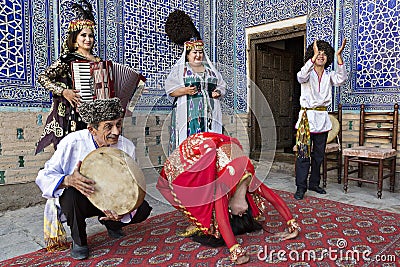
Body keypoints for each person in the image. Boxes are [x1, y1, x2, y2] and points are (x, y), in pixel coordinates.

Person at [36, 98, 152, 260]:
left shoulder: (126, 147)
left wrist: (121, 210)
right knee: (70, 196)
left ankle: (112, 222)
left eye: (118, 124)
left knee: (143, 208)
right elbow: (44, 176)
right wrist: (68, 180)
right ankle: (80, 241)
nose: (116, 132)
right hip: (82, 199)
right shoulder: (72, 142)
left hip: (110, 199)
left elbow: (131, 183)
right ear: (92, 129)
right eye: (108, 126)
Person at [157, 132, 299, 265]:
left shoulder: (246, 181)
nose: (241, 214)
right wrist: (236, 252)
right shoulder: (230, 185)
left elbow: (274, 199)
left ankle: (199, 218)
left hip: (215, 150)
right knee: (185, 191)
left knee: (208, 195)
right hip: (194, 154)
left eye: (233, 214)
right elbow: (222, 218)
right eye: (238, 215)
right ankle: (197, 218)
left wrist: (292, 224)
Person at [36, 1, 101, 154]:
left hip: (97, 114)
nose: (88, 39)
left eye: (90, 36)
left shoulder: (99, 61)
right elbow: (43, 77)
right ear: (75, 38)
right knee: (77, 151)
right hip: (76, 115)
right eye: (83, 35)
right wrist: (64, 91)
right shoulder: (68, 59)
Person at [164, 10, 226, 152]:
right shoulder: (181, 71)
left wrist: (218, 92)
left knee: (209, 143)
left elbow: (222, 85)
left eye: (200, 52)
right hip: (188, 115)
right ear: (188, 55)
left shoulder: (211, 70)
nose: (198, 55)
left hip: (209, 114)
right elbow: (170, 90)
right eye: (194, 53)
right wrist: (185, 90)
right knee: (189, 145)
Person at [294, 39, 347, 200]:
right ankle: (300, 187)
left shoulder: (329, 76)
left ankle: (314, 183)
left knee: (318, 156)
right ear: (312, 55)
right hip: (306, 120)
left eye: (324, 54)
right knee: (303, 155)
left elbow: (341, 78)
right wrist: (313, 57)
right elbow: (300, 76)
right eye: (318, 53)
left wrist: (338, 56)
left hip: (323, 120)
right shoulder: (307, 73)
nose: (321, 56)